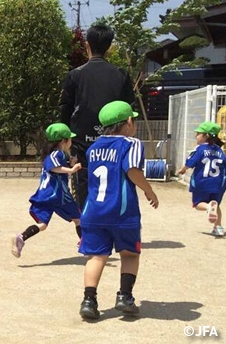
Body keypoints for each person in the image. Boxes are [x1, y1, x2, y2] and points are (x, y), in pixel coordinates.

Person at [78, 101, 159, 320]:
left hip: (93, 211)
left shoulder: (93, 148)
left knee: (96, 256)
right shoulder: (131, 143)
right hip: (123, 212)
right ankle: (125, 296)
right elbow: (132, 170)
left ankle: (89, 300)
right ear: (129, 122)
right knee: (130, 254)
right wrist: (149, 190)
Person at [59, 22, 135, 210]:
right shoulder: (121, 75)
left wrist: (64, 142)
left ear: (87, 45)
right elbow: (129, 112)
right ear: (109, 47)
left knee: (82, 186)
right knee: (112, 185)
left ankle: (86, 233)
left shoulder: (75, 75)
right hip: (113, 143)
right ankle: (109, 230)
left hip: (82, 143)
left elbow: (65, 111)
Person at [12, 123, 82, 258]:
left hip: (46, 195)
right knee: (78, 218)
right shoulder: (58, 153)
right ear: (63, 141)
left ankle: (21, 238)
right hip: (58, 195)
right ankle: (85, 243)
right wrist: (71, 170)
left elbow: (57, 168)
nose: (71, 142)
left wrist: (70, 164)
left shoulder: (54, 154)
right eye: (70, 139)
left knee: (42, 224)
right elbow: (53, 167)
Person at [177, 121, 226, 237]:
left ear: (206, 136)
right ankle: (218, 227)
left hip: (202, 183)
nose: (196, 136)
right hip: (218, 184)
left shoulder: (199, 149)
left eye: (198, 133)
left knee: (198, 204)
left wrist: (183, 169)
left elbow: (191, 162)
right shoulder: (220, 151)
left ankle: (209, 207)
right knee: (216, 205)